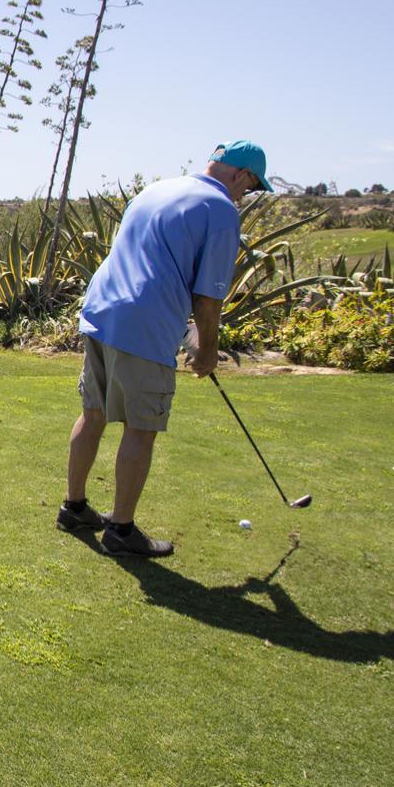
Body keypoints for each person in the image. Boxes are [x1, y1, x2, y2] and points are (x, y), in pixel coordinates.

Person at [57, 141, 272, 558]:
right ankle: (120, 531)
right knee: (142, 427)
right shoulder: (222, 210)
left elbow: (152, 261)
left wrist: (187, 325)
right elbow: (209, 297)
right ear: (242, 174)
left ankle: (74, 507)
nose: (247, 194)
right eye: (252, 186)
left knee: (94, 413)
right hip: (145, 324)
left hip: (102, 310)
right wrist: (207, 351)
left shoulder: (155, 190)